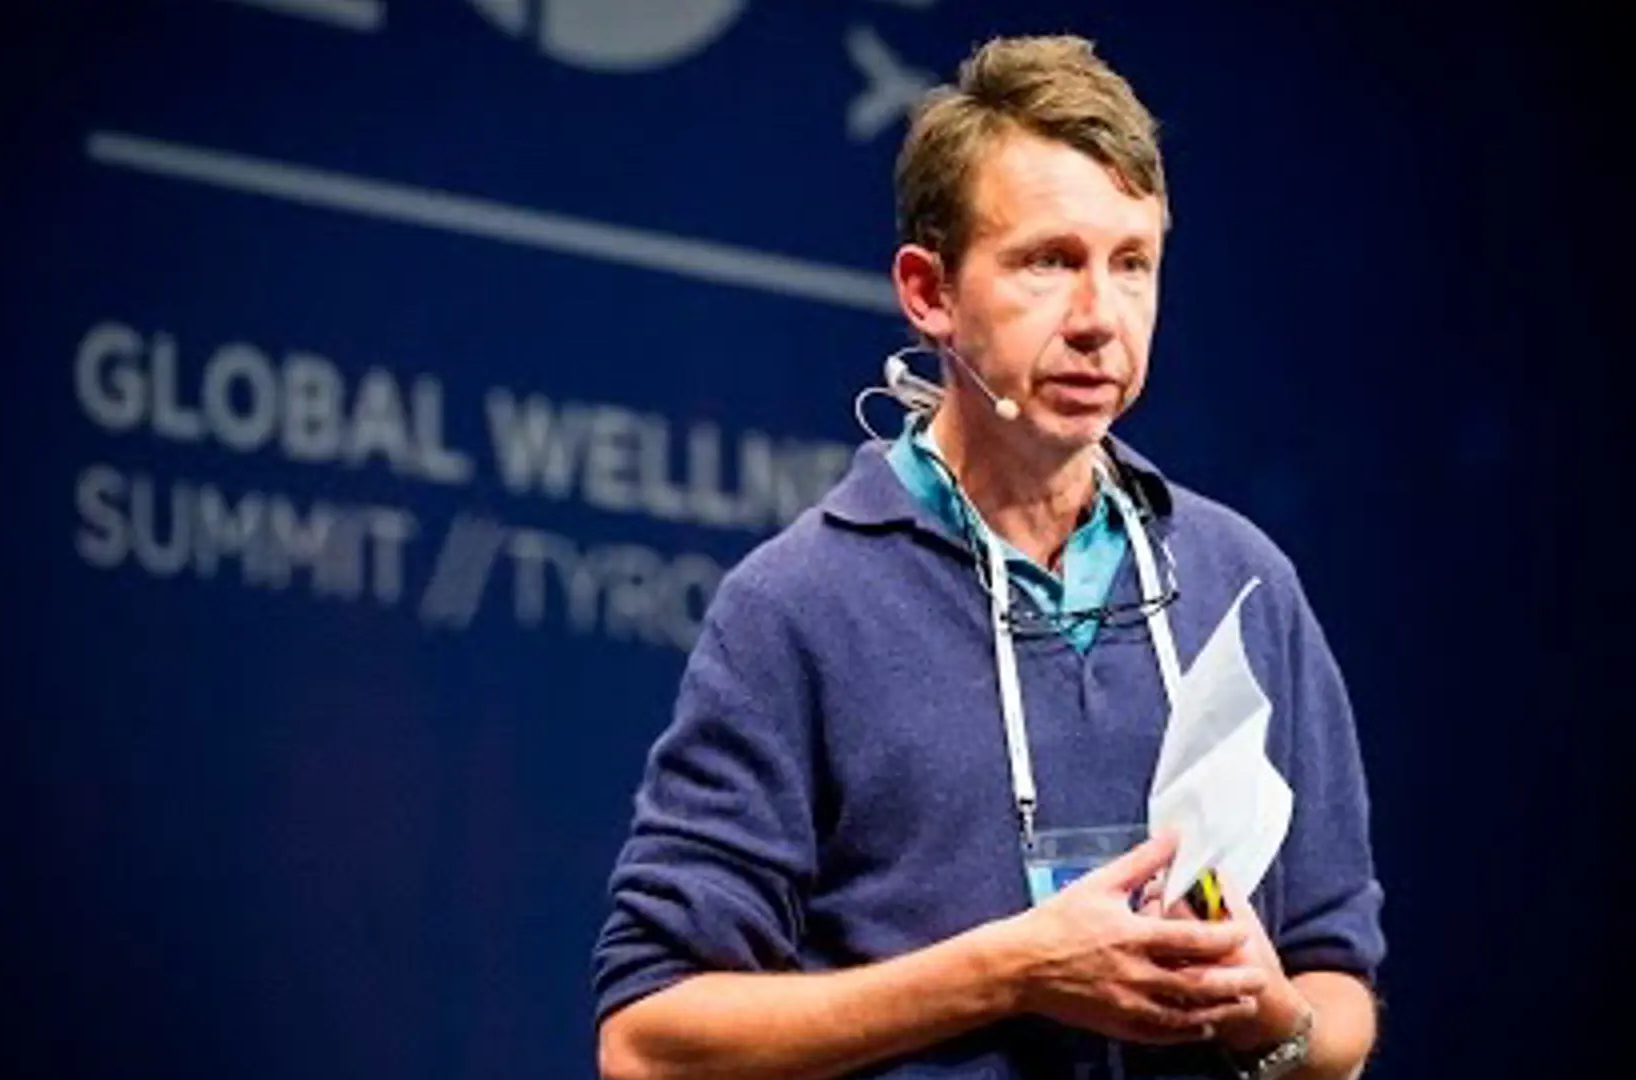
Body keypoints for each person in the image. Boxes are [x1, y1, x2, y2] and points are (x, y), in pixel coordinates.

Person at [592, 34, 1384, 1080]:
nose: (1099, 320)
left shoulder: (1242, 581)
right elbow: (648, 1044)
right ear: (930, 293)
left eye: (1131, 265)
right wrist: (1010, 972)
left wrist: (1267, 1009)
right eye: (1049, 262)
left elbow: (1339, 999)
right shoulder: (798, 606)